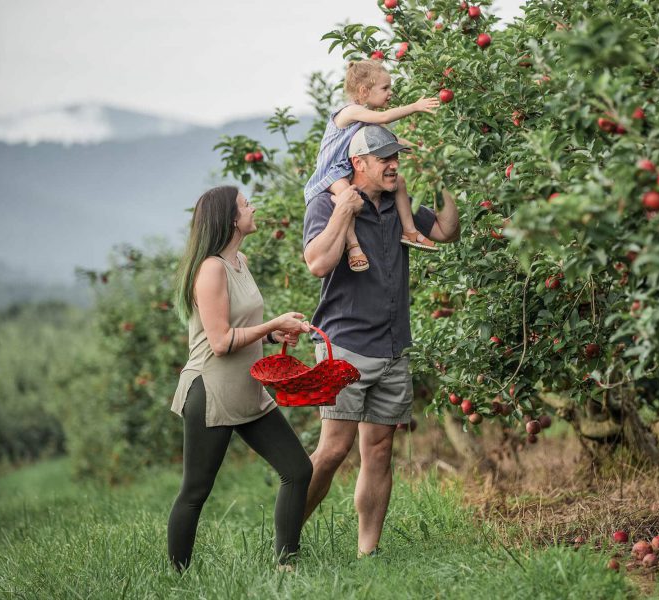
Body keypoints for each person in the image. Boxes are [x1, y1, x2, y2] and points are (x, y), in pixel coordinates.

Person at [302, 125, 460, 557]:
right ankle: (288, 535)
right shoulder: (327, 202)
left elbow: (447, 231)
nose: (393, 166)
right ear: (358, 164)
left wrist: (446, 178)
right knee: (334, 448)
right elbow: (317, 263)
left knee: (380, 448)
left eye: (396, 158)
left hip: (392, 345)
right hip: (344, 343)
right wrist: (344, 212)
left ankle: (367, 554)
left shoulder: (398, 205)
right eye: (384, 159)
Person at [167, 185, 312, 571]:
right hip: (211, 390)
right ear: (232, 219)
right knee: (196, 490)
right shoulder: (211, 268)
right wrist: (273, 322)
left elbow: (240, 325)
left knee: (298, 470)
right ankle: (177, 577)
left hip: (248, 388)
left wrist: (272, 334)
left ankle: (287, 565)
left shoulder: (239, 261)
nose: (253, 208)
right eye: (246, 204)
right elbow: (220, 341)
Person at [304, 58, 441, 273]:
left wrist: (423, 152)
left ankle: (410, 231)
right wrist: (415, 107)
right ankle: (353, 246)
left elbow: (394, 140)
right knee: (347, 199)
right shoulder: (350, 112)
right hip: (331, 172)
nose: (390, 93)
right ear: (363, 90)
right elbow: (385, 115)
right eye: (385, 88)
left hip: (350, 169)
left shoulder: (369, 120)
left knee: (401, 182)